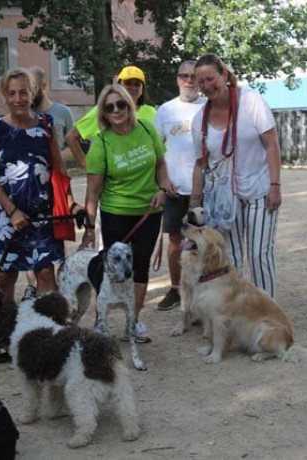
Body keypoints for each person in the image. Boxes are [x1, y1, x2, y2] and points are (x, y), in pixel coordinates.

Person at [189, 53, 283, 297]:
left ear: (224, 75)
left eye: (211, 79)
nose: (207, 86)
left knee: (259, 253)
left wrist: (275, 184)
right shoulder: (199, 120)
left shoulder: (251, 102)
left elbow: (272, 144)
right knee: (232, 256)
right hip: (225, 199)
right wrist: (195, 203)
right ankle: (238, 312)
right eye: (201, 82)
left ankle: (266, 309)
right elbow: (200, 163)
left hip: (259, 190)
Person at [82, 84, 169, 342]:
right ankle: (101, 323)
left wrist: (163, 188)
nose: (116, 110)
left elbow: (161, 164)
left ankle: (134, 322)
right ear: (103, 114)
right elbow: (93, 192)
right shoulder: (101, 143)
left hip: (149, 212)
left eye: (121, 104)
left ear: (130, 105)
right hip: (116, 215)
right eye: (109, 107)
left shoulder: (146, 129)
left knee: (140, 268)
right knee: (113, 272)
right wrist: (89, 227)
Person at [0, 68, 72, 302]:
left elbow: (58, 167)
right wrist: (12, 211)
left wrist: (70, 202)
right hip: (8, 214)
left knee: (45, 273)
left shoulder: (46, 123)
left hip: (42, 213)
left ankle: (46, 330)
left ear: (32, 94)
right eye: (12, 93)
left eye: (23, 92)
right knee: (5, 276)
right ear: (4, 96)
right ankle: (5, 332)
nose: (18, 99)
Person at [153, 60, 206, 311]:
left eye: (194, 76)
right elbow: (155, 150)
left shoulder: (209, 106)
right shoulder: (165, 110)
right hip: (174, 188)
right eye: (183, 76)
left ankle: (203, 290)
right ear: (177, 80)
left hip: (204, 189)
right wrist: (163, 181)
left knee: (204, 240)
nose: (189, 80)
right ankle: (175, 289)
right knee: (175, 241)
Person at [22, 65, 77, 301]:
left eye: (30, 88)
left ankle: (56, 291)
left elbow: (72, 149)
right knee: (27, 238)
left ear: (43, 86)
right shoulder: (22, 114)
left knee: (56, 238)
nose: (26, 94)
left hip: (56, 184)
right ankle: (32, 287)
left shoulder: (62, 112)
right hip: (28, 186)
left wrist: (52, 162)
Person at [66, 65, 157, 168]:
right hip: (114, 179)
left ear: (143, 88)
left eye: (137, 84)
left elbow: (160, 146)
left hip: (145, 177)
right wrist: (86, 165)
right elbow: (71, 137)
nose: (133, 88)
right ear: (119, 85)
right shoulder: (105, 109)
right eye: (128, 83)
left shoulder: (152, 113)